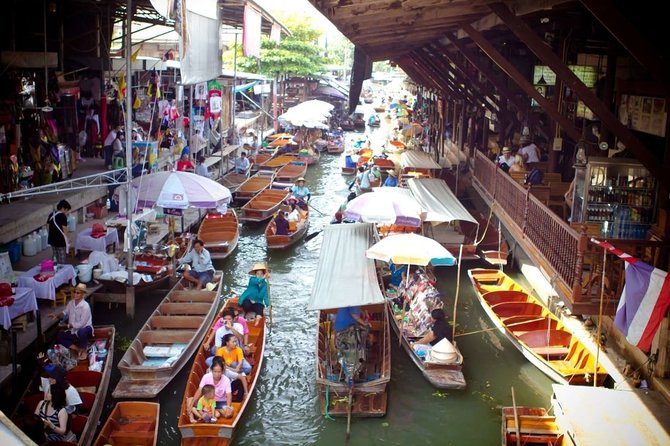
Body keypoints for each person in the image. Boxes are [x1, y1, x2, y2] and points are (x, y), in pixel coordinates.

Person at [49, 283, 93, 361]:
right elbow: (65, 312)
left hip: (86, 329)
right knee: (59, 336)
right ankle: (78, 349)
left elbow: (81, 324)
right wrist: (57, 315)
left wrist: (67, 326)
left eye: (78, 293)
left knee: (81, 332)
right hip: (74, 330)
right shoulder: (71, 303)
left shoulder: (85, 306)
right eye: (74, 292)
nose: (75, 294)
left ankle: (84, 349)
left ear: (82, 294)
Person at [188, 357, 233, 422]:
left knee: (229, 414)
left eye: (219, 372)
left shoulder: (226, 380)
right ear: (211, 370)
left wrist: (228, 407)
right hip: (207, 400)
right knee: (190, 400)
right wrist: (191, 404)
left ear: (222, 371)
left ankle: (211, 412)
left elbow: (229, 395)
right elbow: (199, 390)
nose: (217, 374)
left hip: (220, 402)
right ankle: (194, 417)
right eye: (215, 371)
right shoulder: (206, 377)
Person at [47, 199, 71, 265]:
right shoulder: (62, 216)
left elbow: (48, 226)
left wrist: (52, 234)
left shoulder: (51, 214)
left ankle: (54, 267)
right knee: (62, 256)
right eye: (66, 210)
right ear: (63, 208)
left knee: (55, 255)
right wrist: (68, 238)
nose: (66, 212)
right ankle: (62, 270)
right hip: (60, 240)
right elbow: (64, 229)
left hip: (52, 239)